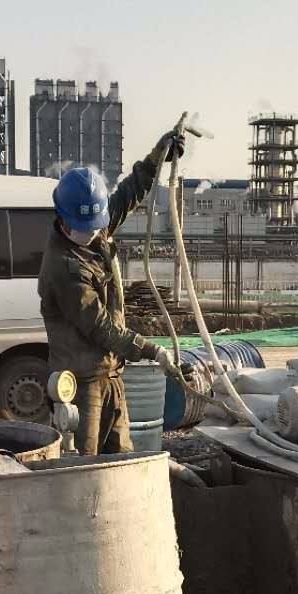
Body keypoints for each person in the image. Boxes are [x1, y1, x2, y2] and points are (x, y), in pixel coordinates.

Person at [39, 130, 183, 454]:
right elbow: (100, 327)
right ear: (63, 221)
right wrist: (151, 350)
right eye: (85, 229)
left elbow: (129, 193)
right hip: (81, 383)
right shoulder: (64, 267)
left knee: (121, 460)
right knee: (82, 465)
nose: (93, 235)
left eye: (96, 227)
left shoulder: (93, 229)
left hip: (111, 373)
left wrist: (158, 157)